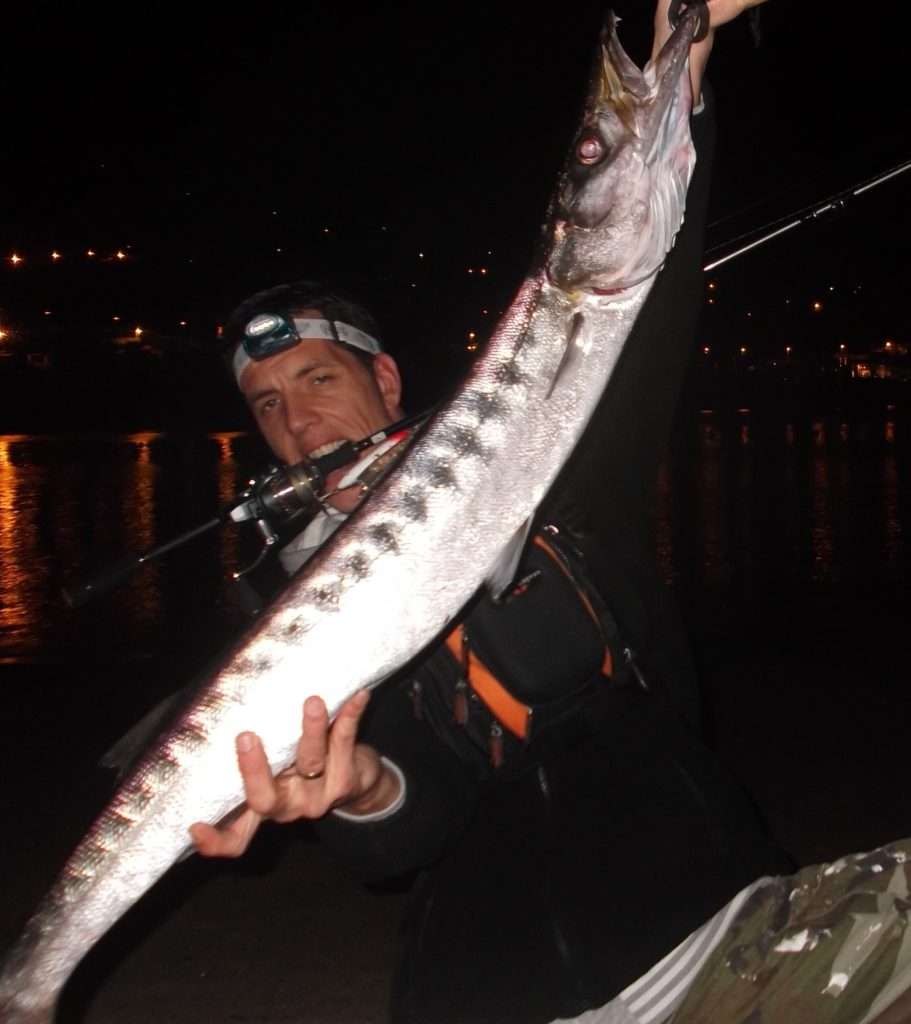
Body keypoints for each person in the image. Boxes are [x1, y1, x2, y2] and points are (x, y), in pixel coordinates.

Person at [190, 2, 783, 1021]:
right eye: (267, 405)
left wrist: (682, 52)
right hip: (492, 967)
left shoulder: (553, 461)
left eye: (317, 377)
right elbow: (396, 836)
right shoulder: (282, 606)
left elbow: (637, 280)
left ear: (383, 379)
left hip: (703, 901)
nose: (296, 421)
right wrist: (359, 785)